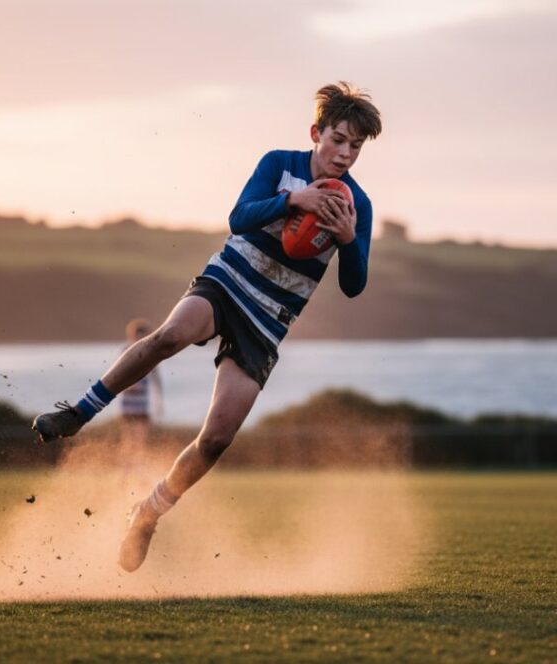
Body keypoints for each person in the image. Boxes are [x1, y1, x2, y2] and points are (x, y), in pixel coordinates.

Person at [33, 81, 382, 572]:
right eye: (338, 139)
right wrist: (292, 203)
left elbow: (353, 285)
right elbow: (239, 218)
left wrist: (348, 241)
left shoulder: (357, 206)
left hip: (269, 319)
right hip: (229, 281)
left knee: (217, 438)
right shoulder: (279, 164)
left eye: (356, 146)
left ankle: (148, 513)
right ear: (316, 133)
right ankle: (79, 411)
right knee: (172, 335)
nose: (345, 153)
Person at [117, 318, 162, 450]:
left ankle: (138, 462)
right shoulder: (125, 350)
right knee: (127, 436)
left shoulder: (151, 352)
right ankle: (128, 464)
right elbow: (119, 373)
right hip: (128, 401)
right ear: (132, 335)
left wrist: (159, 400)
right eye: (138, 335)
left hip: (142, 402)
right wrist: (128, 384)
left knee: (141, 436)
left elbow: (156, 376)